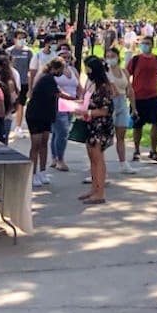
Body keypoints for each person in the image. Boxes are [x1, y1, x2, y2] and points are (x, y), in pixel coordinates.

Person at [128, 36, 157, 163]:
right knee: (137, 126)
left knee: (156, 124)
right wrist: (127, 91)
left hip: (153, 97)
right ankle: (136, 150)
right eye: (143, 43)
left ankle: (153, 151)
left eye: (147, 43)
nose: (145, 45)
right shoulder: (135, 60)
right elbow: (127, 75)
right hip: (137, 97)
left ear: (152, 45)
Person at [27, 57, 70, 187]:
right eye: (61, 69)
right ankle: (33, 174)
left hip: (46, 114)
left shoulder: (51, 79)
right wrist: (76, 99)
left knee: (44, 143)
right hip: (35, 114)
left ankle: (42, 171)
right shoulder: (46, 78)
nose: (62, 72)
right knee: (36, 144)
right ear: (55, 68)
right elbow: (59, 94)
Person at [79, 56, 115, 204]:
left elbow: (105, 110)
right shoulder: (92, 85)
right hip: (90, 125)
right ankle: (94, 188)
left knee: (98, 159)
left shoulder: (104, 88)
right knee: (92, 159)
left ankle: (100, 192)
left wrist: (88, 113)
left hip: (100, 126)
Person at [50, 46, 81, 172]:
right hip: (59, 103)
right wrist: (68, 98)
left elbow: (79, 86)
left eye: (68, 57)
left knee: (59, 132)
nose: (66, 59)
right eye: (63, 57)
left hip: (71, 104)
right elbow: (55, 89)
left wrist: (81, 98)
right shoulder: (54, 72)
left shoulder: (73, 70)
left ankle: (54, 156)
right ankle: (59, 159)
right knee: (62, 132)